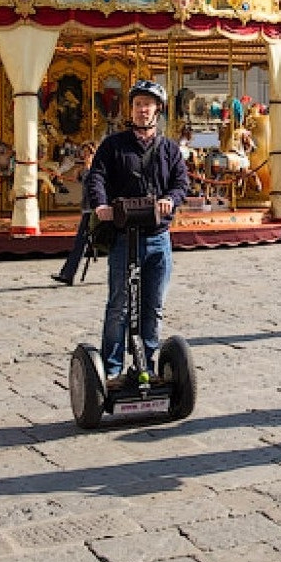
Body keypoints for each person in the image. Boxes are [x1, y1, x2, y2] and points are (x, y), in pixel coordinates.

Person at [85, 81, 189, 386]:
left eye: (148, 104)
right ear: (131, 109)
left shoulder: (169, 148)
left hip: (158, 237)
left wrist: (171, 199)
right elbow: (97, 178)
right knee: (119, 305)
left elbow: (181, 183)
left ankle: (148, 365)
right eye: (137, 104)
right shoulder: (113, 145)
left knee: (153, 306)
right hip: (123, 237)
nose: (142, 110)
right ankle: (112, 369)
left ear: (158, 109)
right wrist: (101, 204)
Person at [51, 141, 98, 286]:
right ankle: (68, 273)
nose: (85, 156)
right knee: (80, 242)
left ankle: (68, 273)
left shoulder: (98, 169)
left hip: (95, 210)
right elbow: (79, 179)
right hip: (87, 209)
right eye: (84, 153)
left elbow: (93, 182)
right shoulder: (85, 169)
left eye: (88, 153)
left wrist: (87, 167)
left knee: (82, 242)